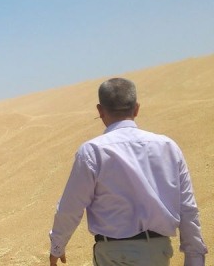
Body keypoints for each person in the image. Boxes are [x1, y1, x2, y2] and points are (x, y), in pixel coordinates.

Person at [49, 78, 208, 266]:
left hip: (113, 255)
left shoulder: (93, 151)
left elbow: (71, 206)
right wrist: (195, 259)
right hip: (157, 254)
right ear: (137, 108)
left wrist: (57, 245)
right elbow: (188, 209)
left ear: (100, 111)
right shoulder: (168, 147)